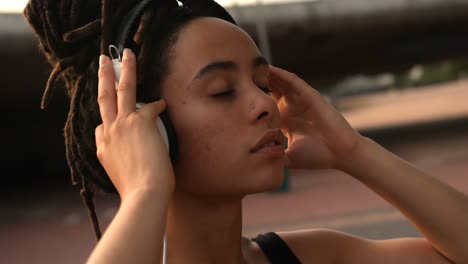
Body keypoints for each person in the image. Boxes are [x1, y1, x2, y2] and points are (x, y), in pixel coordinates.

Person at [23, 0, 468, 263]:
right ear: (152, 127)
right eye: (221, 91)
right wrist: (144, 190)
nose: (263, 105)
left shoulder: (305, 258)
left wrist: (354, 151)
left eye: (261, 83)